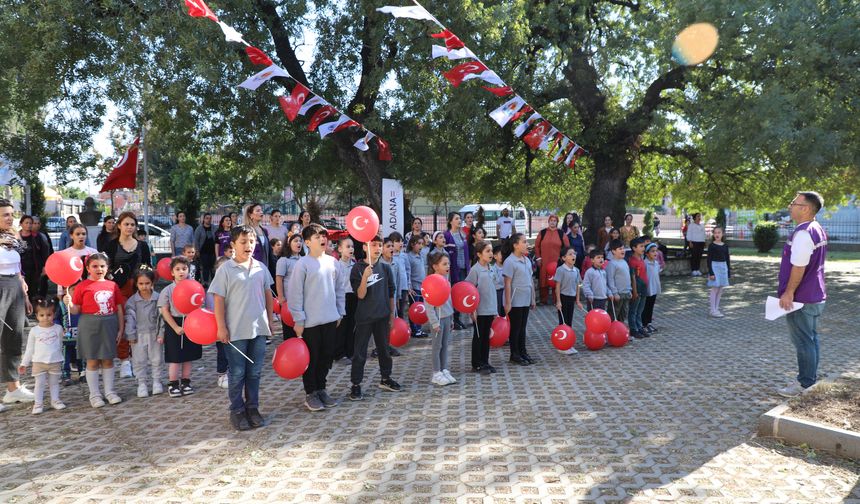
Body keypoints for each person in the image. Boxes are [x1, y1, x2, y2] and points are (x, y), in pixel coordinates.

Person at [210, 225, 275, 430]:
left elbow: (268, 296)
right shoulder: (226, 270)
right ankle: (237, 410)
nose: (248, 245)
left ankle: (252, 407)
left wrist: (271, 321)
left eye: (252, 241)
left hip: (257, 330)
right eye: (243, 242)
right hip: (235, 331)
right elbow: (218, 300)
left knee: (254, 372)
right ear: (233, 245)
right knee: (237, 373)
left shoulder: (260, 268)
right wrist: (221, 327)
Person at [288, 224, 346, 412]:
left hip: (330, 319)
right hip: (310, 323)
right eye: (316, 237)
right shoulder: (302, 264)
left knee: (326, 357)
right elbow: (295, 294)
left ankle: (321, 389)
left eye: (323, 236)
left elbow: (339, 290)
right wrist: (299, 319)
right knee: (311, 359)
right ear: (306, 242)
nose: (322, 239)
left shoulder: (333, 262)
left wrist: (340, 312)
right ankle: (310, 392)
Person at [777, 191, 828, 398]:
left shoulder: (804, 233)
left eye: (794, 203)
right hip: (815, 295)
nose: (790, 206)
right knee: (811, 339)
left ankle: (805, 384)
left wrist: (789, 292)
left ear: (806, 208)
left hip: (802, 299)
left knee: (803, 342)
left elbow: (799, 266)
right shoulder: (817, 229)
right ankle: (809, 379)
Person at [64, 253, 126, 408]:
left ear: (107, 267)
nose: (99, 269)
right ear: (87, 268)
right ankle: (94, 394)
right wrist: (69, 304)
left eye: (102, 266)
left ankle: (110, 392)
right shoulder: (82, 286)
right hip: (89, 326)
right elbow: (76, 310)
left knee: (108, 359)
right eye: (95, 266)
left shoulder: (113, 285)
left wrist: (121, 329)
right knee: (92, 361)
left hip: (109, 325)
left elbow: (119, 308)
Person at [349, 235, 402, 400]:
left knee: (384, 350)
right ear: (365, 247)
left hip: (382, 317)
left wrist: (392, 316)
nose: (378, 248)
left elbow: (391, 292)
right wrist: (365, 277)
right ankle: (356, 385)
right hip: (364, 318)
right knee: (360, 353)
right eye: (374, 245)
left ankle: (385, 378)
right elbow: (360, 294)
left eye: (380, 245)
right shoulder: (357, 268)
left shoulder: (386, 268)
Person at [0, 199, 34, 410]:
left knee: (13, 339)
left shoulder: (13, 237)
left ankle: (13, 389)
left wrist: (25, 294)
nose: (10, 217)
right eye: (5, 214)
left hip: (15, 287)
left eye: (11, 213)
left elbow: (18, 268)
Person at [158, 256, 202, 397]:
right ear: (172, 272)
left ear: (188, 270)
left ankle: (186, 381)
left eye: (184, 269)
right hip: (174, 324)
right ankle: (173, 383)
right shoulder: (167, 290)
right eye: (177, 269)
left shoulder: (194, 286)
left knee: (188, 356)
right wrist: (175, 327)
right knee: (175, 357)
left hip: (191, 323)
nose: (181, 272)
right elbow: (164, 311)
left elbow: (199, 304)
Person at [19, 298, 66, 414]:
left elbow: (60, 344)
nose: (45, 317)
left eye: (49, 314)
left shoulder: (58, 329)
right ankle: (38, 403)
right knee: (39, 384)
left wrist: (60, 358)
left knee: (54, 383)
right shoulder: (34, 331)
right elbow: (30, 348)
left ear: (54, 314)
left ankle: (55, 400)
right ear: (37, 316)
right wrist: (24, 363)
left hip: (55, 361)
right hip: (38, 363)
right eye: (42, 315)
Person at [124, 268, 163, 398]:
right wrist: (130, 335)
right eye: (141, 284)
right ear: (136, 284)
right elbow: (129, 319)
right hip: (138, 336)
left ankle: (156, 381)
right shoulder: (132, 301)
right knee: (139, 360)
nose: (144, 286)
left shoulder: (158, 299)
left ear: (152, 283)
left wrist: (161, 333)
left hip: (154, 334)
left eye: (147, 283)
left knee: (156, 359)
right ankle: (142, 384)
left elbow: (162, 318)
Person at [503, 233, 536, 365]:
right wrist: (508, 302)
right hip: (515, 301)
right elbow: (507, 283)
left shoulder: (527, 260)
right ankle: (514, 354)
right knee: (515, 328)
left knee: (523, 327)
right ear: (515, 245)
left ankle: (523, 351)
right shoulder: (510, 262)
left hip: (526, 299)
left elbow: (531, 281)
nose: (527, 244)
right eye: (524, 242)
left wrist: (533, 298)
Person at [465, 241, 498, 373]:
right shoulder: (475, 270)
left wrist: (495, 309)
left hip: (489, 308)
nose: (491, 254)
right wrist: (472, 310)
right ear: (479, 254)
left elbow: (492, 289)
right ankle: (476, 363)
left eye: (491, 251)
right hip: (479, 310)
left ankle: (485, 361)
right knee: (478, 336)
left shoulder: (491, 268)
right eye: (487, 251)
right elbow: (468, 289)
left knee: (486, 336)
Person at [426, 251, 455, 386]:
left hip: (447, 317)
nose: (447, 266)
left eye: (448, 263)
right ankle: (436, 373)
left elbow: (449, 301)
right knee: (437, 347)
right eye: (444, 264)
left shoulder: (446, 280)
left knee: (445, 346)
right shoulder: (431, 282)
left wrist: (452, 318)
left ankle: (444, 369)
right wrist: (434, 322)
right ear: (435, 266)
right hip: (437, 320)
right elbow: (429, 306)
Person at [443, 212, 471, 329]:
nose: (459, 221)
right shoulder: (447, 235)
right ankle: (453, 320)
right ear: (450, 221)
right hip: (454, 270)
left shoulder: (462, 234)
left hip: (463, 269)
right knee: (453, 294)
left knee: (460, 294)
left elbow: (466, 252)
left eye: (460, 218)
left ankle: (458, 318)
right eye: (456, 219)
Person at [554, 247, 584, 354]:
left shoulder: (576, 270)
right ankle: (562, 346)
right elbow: (557, 286)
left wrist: (578, 300)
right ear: (563, 258)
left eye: (574, 253)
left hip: (571, 298)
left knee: (569, 322)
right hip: (563, 297)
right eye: (570, 254)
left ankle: (569, 344)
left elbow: (578, 285)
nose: (573, 256)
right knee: (563, 322)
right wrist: (558, 301)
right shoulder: (560, 270)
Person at [534, 214, 569, 305]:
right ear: (548, 221)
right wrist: (538, 258)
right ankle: (543, 300)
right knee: (543, 280)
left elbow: (567, 248)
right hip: (544, 261)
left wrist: (563, 259)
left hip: (557, 262)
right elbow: (537, 246)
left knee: (556, 280)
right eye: (551, 220)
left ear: (557, 222)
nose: (552, 222)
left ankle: (555, 300)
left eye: (554, 221)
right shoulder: (542, 232)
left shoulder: (561, 233)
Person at [276, 233, 304, 341]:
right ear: (289, 243)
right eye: (295, 241)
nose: (299, 243)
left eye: (300, 241)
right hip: (288, 301)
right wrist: (281, 297)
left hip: (301, 301)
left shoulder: (304, 259)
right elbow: (279, 279)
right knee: (289, 330)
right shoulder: (284, 260)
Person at [210, 256, 232, 389]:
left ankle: (233, 373)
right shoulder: (213, 288)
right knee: (222, 351)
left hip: (233, 323)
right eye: (220, 269)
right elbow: (209, 309)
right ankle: (222, 374)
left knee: (233, 350)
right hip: (219, 325)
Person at [19, 215, 51, 303]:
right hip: (21, 269)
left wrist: (45, 266)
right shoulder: (16, 237)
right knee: (22, 290)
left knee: (34, 290)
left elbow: (45, 252)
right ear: (21, 224)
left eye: (30, 223)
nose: (29, 225)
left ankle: (34, 308)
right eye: (26, 223)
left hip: (35, 268)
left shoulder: (38, 237)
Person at [335, 237, 357, 359]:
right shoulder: (336, 265)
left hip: (353, 297)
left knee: (352, 325)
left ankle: (350, 351)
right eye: (347, 247)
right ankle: (339, 353)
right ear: (340, 249)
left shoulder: (355, 264)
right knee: (341, 326)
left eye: (352, 246)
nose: (351, 249)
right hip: (341, 298)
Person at [56, 282, 82, 386]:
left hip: (80, 337)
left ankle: (82, 372)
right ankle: (66, 375)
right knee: (65, 357)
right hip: (66, 338)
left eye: (78, 289)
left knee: (81, 356)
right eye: (73, 289)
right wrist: (60, 329)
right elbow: (56, 319)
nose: (75, 292)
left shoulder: (81, 304)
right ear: (67, 291)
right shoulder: (61, 305)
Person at [707, 226, 731, 318]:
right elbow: (709, 260)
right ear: (713, 234)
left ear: (722, 234)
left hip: (723, 267)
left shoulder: (725, 246)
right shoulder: (712, 246)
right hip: (714, 267)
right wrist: (711, 273)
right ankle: (712, 310)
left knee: (720, 289)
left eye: (719, 232)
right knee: (715, 289)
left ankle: (716, 308)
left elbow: (727, 259)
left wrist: (728, 272)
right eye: (715, 233)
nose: (717, 234)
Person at [406, 235, 427, 338]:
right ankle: (414, 329)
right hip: (414, 287)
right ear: (412, 244)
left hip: (422, 286)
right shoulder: (409, 256)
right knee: (414, 308)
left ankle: (419, 328)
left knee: (421, 308)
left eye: (422, 243)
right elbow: (408, 273)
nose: (420, 246)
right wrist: (409, 287)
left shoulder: (421, 256)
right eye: (418, 243)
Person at [605, 240, 631, 325]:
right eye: (620, 249)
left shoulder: (624, 262)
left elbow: (627, 278)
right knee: (614, 315)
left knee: (623, 315)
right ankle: (611, 333)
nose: (623, 250)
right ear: (613, 251)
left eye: (623, 248)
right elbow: (610, 279)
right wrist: (615, 293)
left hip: (626, 293)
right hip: (618, 294)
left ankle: (621, 333)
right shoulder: (612, 264)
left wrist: (629, 290)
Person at [627, 237, 648, 339]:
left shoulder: (642, 258)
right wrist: (634, 291)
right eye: (641, 246)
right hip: (637, 288)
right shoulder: (632, 261)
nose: (643, 248)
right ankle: (633, 329)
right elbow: (633, 277)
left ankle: (639, 327)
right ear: (634, 248)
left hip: (644, 288)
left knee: (640, 310)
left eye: (643, 246)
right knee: (633, 310)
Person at [642, 243, 663, 333]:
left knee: (651, 306)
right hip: (647, 289)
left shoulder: (656, 263)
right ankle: (644, 324)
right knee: (645, 307)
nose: (655, 253)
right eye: (652, 251)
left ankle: (649, 323)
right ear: (646, 254)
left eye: (656, 251)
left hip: (654, 288)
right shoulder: (645, 263)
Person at [194, 212, 217, 285]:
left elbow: (217, 238)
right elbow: (196, 240)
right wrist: (197, 250)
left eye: (210, 218)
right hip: (203, 251)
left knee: (213, 267)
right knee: (205, 267)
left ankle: (214, 282)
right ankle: (205, 282)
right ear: (203, 219)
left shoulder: (214, 228)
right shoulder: (199, 228)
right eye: (207, 218)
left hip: (213, 251)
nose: (209, 220)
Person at [491, 244, 505, 317]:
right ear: (495, 256)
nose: (503, 255)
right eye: (501, 254)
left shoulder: (508, 267)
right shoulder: (492, 269)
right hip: (497, 294)